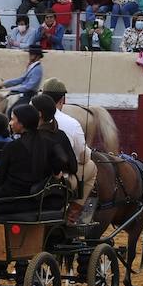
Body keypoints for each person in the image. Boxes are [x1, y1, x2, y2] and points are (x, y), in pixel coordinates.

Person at [0, 103, 75, 223]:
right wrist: (56, 171)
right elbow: (64, 159)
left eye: (12, 119)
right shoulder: (50, 142)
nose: (10, 123)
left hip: (14, 200)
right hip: (42, 199)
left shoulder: (11, 147)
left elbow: (1, 179)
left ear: (22, 124)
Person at [38, 80, 98, 224]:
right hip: (56, 180)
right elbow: (83, 158)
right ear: (62, 100)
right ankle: (71, 215)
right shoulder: (70, 124)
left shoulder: (27, 118)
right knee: (91, 167)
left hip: (29, 177)